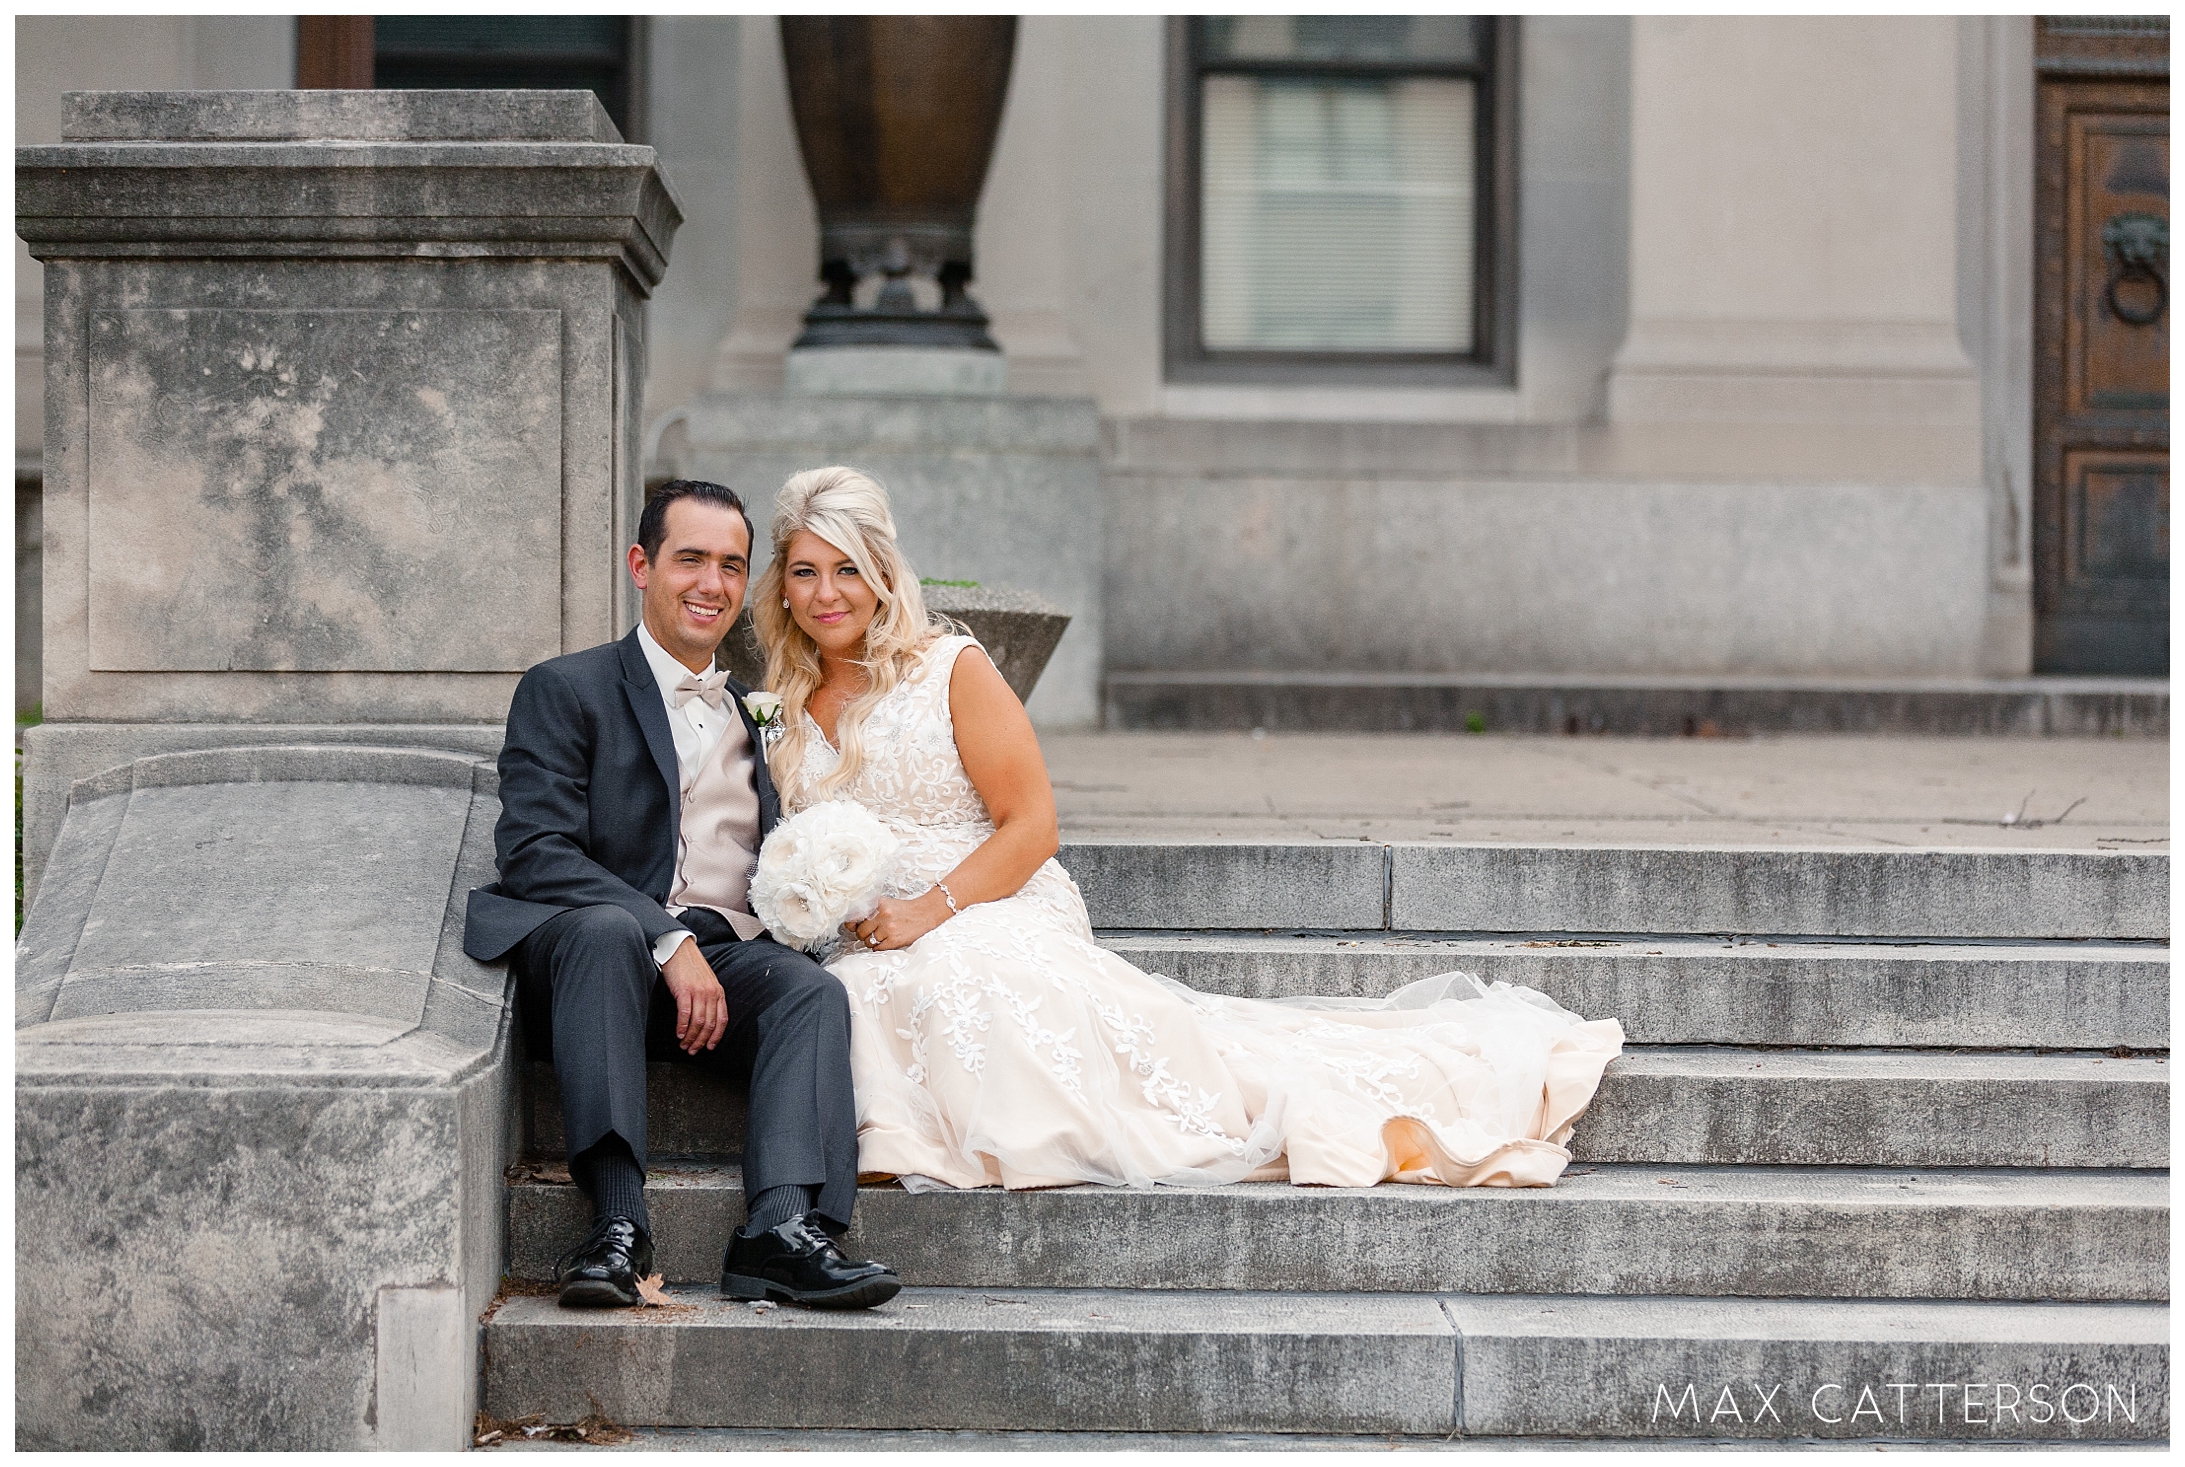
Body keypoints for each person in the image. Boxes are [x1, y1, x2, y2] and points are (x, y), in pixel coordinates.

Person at [749, 466, 1625, 1193]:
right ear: (781, 586)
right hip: (868, 930)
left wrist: (927, 911)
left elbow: (1034, 826)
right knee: (856, 992)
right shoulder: (777, 704)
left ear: (884, 573)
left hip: (988, 894)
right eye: (805, 572)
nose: (828, 593)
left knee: (953, 975)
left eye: (849, 569)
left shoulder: (951, 667)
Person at [463, 479, 900, 1310]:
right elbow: (533, 851)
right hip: (600, 960)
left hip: (727, 950)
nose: (711, 583)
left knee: (811, 991)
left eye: (730, 566)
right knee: (600, 931)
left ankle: (777, 1229)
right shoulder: (566, 687)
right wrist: (667, 939)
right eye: (689, 559)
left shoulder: (758, 707)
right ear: (641, 565)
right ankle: (616, 1228)